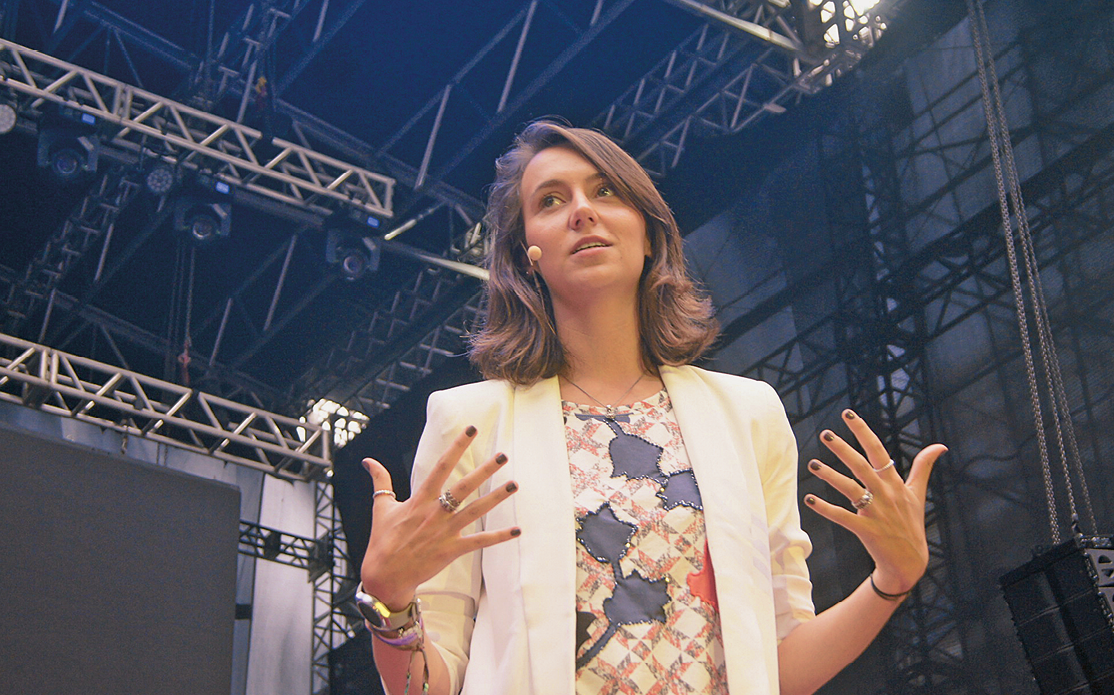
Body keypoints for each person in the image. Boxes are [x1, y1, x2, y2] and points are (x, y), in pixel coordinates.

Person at [358, 121, 946, 695]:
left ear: (647, 230)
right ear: (528, 253)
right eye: (552, 200)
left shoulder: (747, 414)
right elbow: (432, 684)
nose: (582, 210)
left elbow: (779, 668)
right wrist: (389, 603)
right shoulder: (471, 422)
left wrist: (892, 581)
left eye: (605, 190)